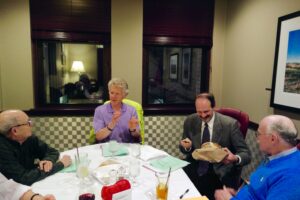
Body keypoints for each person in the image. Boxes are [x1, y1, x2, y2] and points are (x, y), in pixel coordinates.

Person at [179, 93, 251, 200]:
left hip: (219, 171)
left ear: (213, 107)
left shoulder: (230, 124)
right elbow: (184, 149)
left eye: (206, 111)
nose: (203, 116)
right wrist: (187, 147)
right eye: (199, 112)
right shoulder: (190, 121)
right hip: (195, 165)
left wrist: (235, 158)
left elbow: (246, 154)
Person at [215, 115, 300, 200]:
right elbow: (259, 191)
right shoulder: (274, 156)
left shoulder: (291, 177)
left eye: (258, 134)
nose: (257, 139)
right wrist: (239, 194)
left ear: (273, 139)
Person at [0, 110, 72, 185]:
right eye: (28, 123)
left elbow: (52, 152)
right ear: (15, 131)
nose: (32, 125)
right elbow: (23, 179)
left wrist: (47, 161)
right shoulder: (2, 148)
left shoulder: (29, 138)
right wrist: (61, 164)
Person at [93, 78, 140, 143]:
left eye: (117, 94)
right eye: (112, 93)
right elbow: (98, 136)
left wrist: (132, 129)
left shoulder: (132, 110)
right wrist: (112, 124)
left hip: (127, 148)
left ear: (124, 95)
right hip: (106, 148)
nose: (113, 96)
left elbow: (137, 136)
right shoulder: (99, 110)